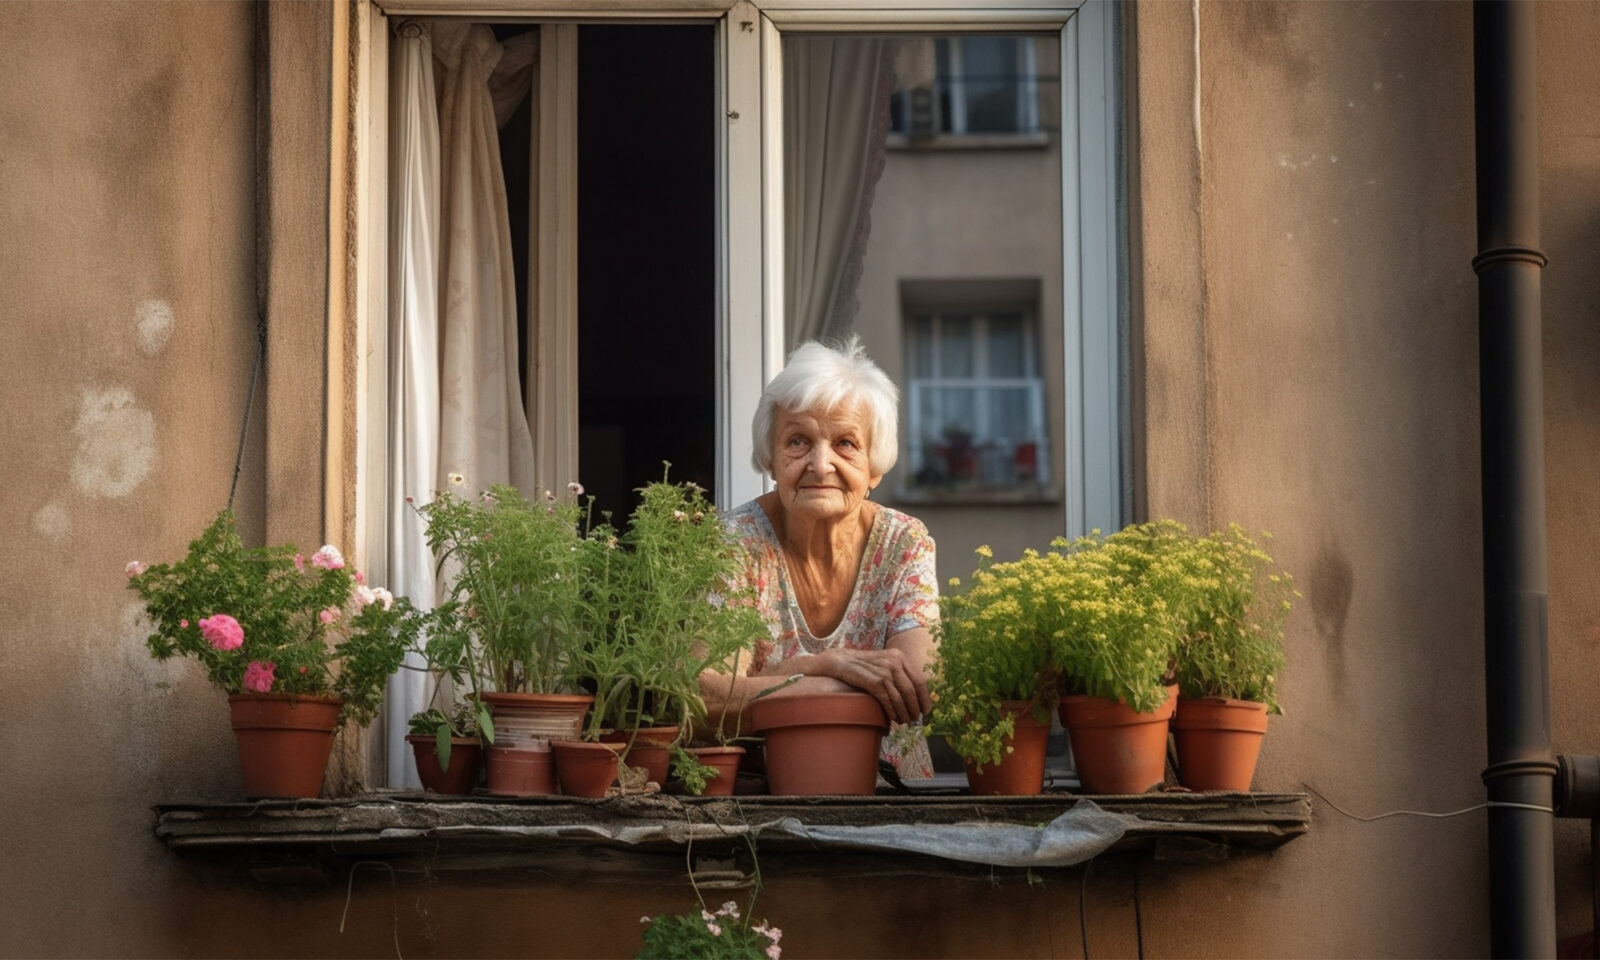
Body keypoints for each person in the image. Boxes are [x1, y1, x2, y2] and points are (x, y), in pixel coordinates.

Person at [702, 337, 938, 775]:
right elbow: (705, 697)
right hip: (763, 798)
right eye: (798, 441)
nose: (820, 464)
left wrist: (777, 682)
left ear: (875, 467)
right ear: (771, 459)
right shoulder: (733, 544)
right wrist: (823, 666)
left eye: (846, 443)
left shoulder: (905, 543)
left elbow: (914, 686)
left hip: (890, 795)